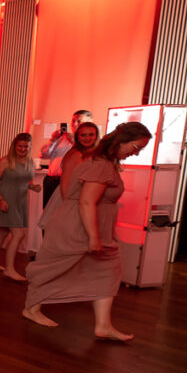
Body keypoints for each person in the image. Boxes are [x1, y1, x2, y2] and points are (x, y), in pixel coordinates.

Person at [22, 122, 152, 341]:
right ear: (122, 141)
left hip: (93, 226)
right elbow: (86, 202)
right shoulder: (101, 165)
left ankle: (103, 325)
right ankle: (32, 308)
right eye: (136, 147)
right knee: (55, 266)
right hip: (79, 226)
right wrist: (93, 237)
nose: (136, 153)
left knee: (108, 269)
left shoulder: (105, 162)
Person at [0, 133, 41, 281]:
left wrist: (33, 187)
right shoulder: (5, 161)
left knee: (3, 232)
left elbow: (26, 181)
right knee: (18, 234)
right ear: (14, 146)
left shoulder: (29, 162)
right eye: (20, 146)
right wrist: (1, 200)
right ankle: (9, 269)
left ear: (29, 147)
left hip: (20, 202)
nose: (22, 149)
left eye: (25, 146)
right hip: (6, 201)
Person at [39, 122, 100, 227]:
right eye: (83, 135)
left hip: (82, 192)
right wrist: (53, 140)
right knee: (55, 221)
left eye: (91, 135)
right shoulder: (71, 151)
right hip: (61, 187)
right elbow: (43, 155)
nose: (87, 138)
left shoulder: (95, 153)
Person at [39, 110, 93, 205]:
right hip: (51, 180)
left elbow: (87, 159)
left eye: (79, 121)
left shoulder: (90, 142)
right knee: (47, 211)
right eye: (73, 121)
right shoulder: (62, 138)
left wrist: (74, 142)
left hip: (69, 182)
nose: (74, 124)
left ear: (89, 123)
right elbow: (43, 155)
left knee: (64, 212)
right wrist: (52, 140)